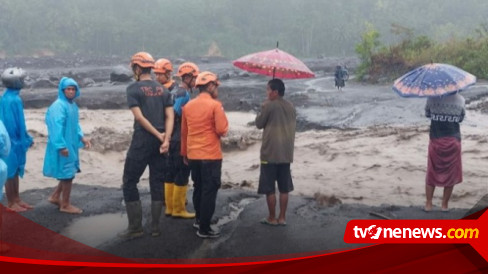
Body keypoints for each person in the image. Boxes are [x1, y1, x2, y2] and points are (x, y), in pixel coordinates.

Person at [120, 52, 174, 238]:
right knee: (157, 183)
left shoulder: (133, 89)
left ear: (136, 68)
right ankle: (156, 228)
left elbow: (139, 117)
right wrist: (165, 139)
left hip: (142, 140)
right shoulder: (164, 90)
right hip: (160, 144)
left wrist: (158, 134)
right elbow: (170, 116)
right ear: (150, 68)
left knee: (129, 182)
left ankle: (135, 228)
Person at [181, 71, 228, 238]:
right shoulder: (216, 105)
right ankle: (205, 228)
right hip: (210, 155)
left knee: (198, 187)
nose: (217, 89)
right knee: (209, 190)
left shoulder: (188, 106)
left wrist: (184, 153)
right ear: (209, 86)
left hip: (193, 154)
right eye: (216, 85)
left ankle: (199, 220)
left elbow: (184, 133)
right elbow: (222, 130)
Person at [43, 77, 91, 214]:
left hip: (71, 143)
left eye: (73, 89)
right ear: (62, 90)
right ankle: (65, 204)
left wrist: (82, 137)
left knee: (68, 171)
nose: (71, 91)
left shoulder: (72, 105)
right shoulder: (58, 106)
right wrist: (60, 146)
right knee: (67, 174)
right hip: (63, 144)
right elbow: (55, 127)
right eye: (68, 89)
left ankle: (55, 196)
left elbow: (75, 125)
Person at [255, 78, 296, 226]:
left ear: (275, 92)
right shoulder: (291, 106)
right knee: (284, 187)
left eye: (268, 90)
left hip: (270, 153)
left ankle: (272, 217)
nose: (266, 93)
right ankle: (282, 217)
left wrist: (263, 107)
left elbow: (259, 124)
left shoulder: (269, 106)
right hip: (286, 153)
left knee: (269, 187)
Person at [162, 62, 199, 219]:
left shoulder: (174, 90)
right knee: (182, 171)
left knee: (170, 172)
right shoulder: (183, 93)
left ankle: (170, 208)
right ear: (188, 77)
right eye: (195, 77)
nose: (197, 81)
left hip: (171, 136)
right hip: (178, 136)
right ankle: (178, 209)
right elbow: (174, 113)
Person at [424, 92, 465, 212]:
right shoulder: (461, 100)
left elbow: (427, 114)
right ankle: (444, 205)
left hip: (436, 140)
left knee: (432, 172)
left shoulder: (432, 98)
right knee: (451, 173)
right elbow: (461, 118)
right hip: (453, 142)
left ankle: (428, 204)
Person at [0, 67, 33, 212]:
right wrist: (20, 139)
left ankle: (17, 198)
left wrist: (25, 137)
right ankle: (11, 202)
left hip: (15, 139)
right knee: (10, 171)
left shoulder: (12, 97)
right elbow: (11, 123)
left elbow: (20, 122)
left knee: (16, 169)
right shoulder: (10, 100)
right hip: (11, 140)